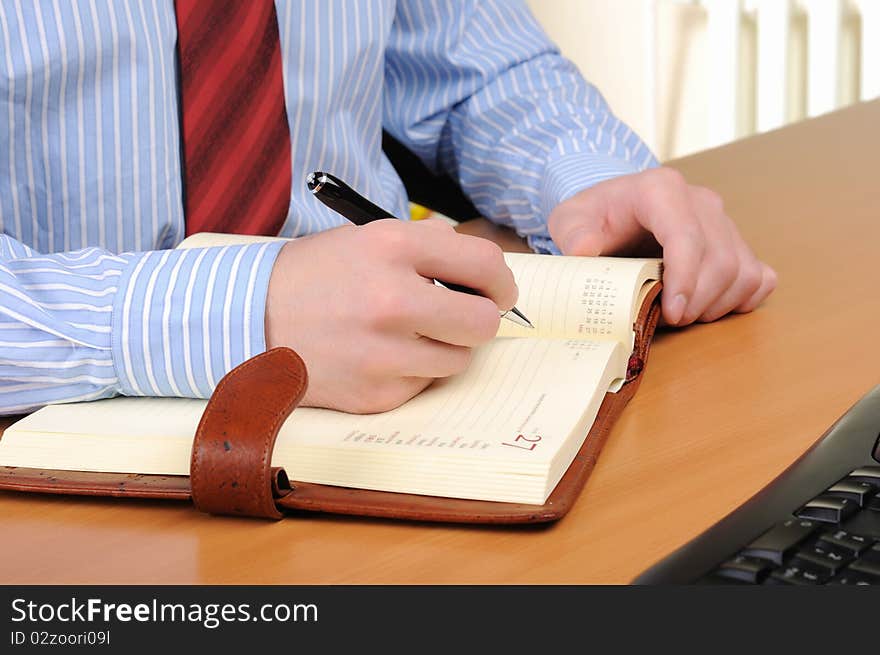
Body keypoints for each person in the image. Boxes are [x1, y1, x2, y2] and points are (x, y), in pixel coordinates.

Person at [0, 1, 775, 416]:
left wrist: (588, 173)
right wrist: (243, 307)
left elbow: (469, 60)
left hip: (399, 381)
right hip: (59, 423)